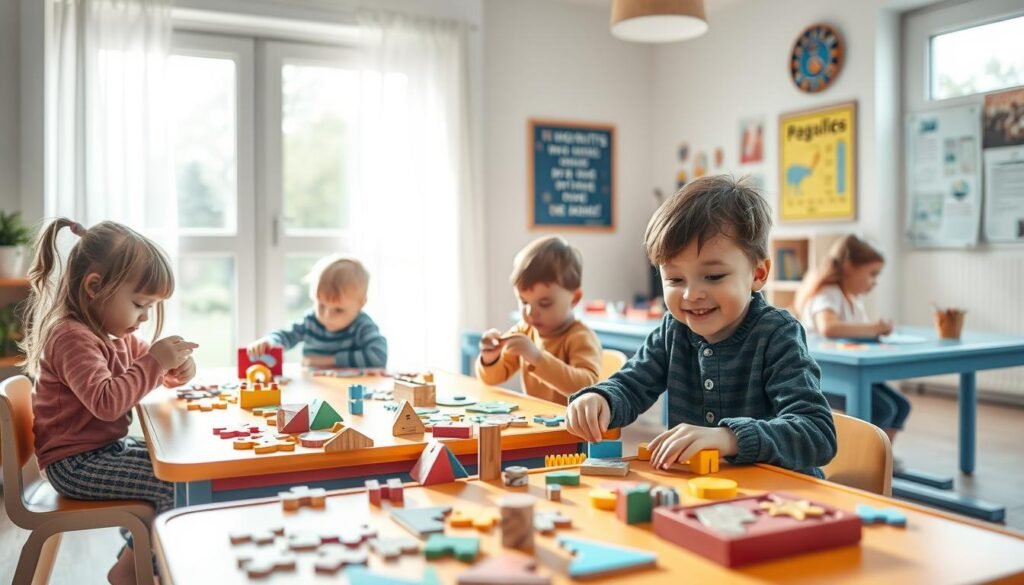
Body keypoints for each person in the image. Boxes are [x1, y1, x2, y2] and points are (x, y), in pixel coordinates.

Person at [566, 176, 836, 476]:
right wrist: (599, 397)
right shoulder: (673, 330)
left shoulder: (776, 333)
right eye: (675, 280)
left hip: (781, 498)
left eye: (714, 276)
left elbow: (817, 434)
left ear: (758, 273)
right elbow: (630, 385)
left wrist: (729, 438)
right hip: (703, 496)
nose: (691, 295)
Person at [21, 218, 198, 584]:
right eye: (138, 303)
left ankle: (128, 566)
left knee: (176, 470)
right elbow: (107, 402)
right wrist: (155, 363)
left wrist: (174, 368)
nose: (145, 316)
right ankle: (141, 572)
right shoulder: (72, 337)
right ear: (95, 287)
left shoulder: (113, 334)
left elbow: (142, 371)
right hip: (75, 465)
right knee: (173, 484)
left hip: (100, 452)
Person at [795, 234, 910, 443]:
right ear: (849, 267)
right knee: (882, 409)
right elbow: (828, 328)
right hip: (825, 377)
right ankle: (865, 462)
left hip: (851, 374)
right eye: (872, 274)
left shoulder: (853, 299)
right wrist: (874, 328)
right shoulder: (828, 293)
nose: (874, 282)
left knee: (901, 406)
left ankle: (883, 459)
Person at [476, 236, 601, 405]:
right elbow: (492, 379)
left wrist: (536, 358)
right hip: (538, 422)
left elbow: (587, 386)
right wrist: (490, 358)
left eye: (544, 303)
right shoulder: (524, 330)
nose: (531, 312)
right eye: (524, 301)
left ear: (574, 298)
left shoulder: (580, 336)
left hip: (571, 429)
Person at [248, 255, 387, 369]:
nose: (326, 316)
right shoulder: (311, 321)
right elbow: (287, 335)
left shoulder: (362, 326)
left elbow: (378, 356)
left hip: (348, 391)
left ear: (361, 304)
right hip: (313, 387)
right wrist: (270, 341)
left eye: (338, 310)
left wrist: (327, 360)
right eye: (321, 305)